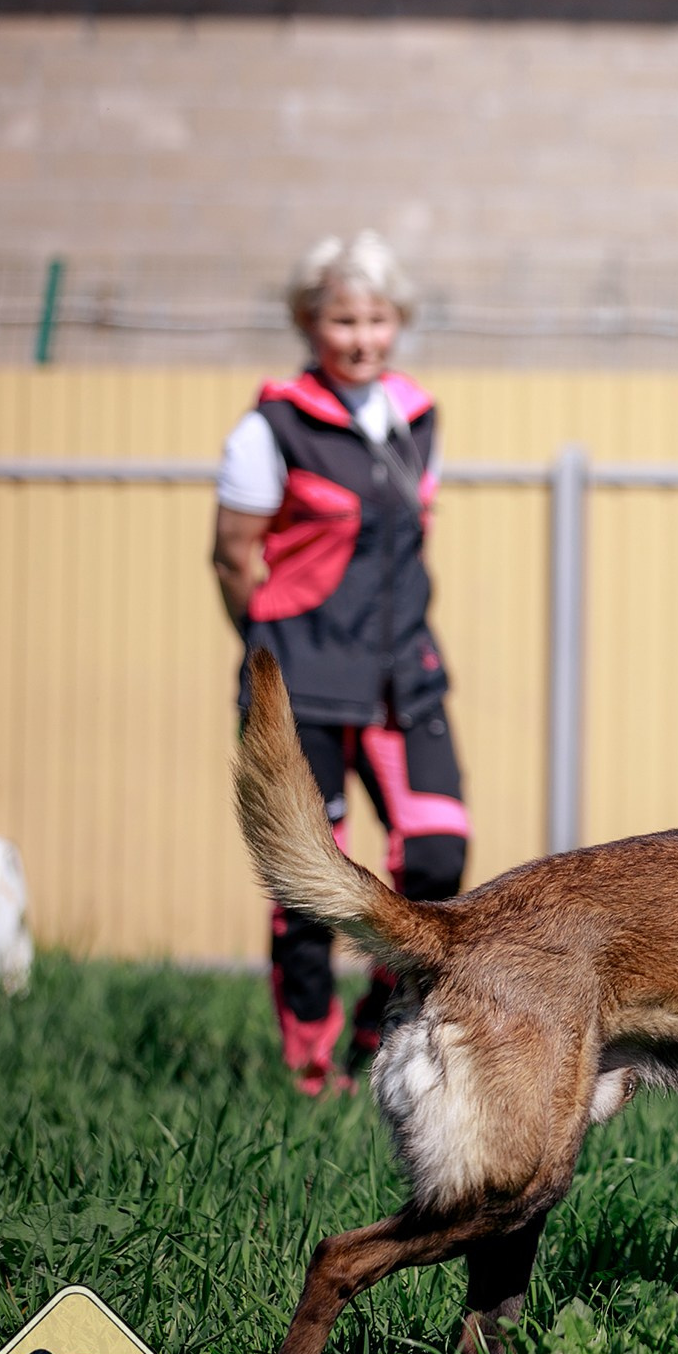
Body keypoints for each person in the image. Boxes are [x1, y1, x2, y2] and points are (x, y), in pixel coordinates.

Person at [211, 233, 469, 1096]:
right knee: (308, 879)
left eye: (377, 318)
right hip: (307, 677)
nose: (361, 337)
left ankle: (378, 1026)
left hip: (406, 674)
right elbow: (233, 554)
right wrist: (267, 661)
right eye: (341, 320)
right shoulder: (270, 426)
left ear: (398, 323)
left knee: (436, 855)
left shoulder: (417, 418)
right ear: (308, 324)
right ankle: (309, 1067)